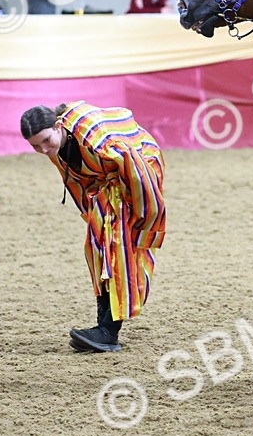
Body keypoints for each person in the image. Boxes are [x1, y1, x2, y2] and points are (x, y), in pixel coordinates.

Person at [21, 101, 168, 353]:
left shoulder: (100, 141)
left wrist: (145, 222)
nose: (44, 150)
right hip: (108, 181)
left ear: (58, 126)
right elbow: (76, 183)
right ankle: (103, 327)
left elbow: (139, 175)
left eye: (46, 141)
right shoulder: (56, 147)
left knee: (119, 247)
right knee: (96, 247)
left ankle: (108, 331)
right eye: (35, 146)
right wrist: (93, 218)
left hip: (139, 166)